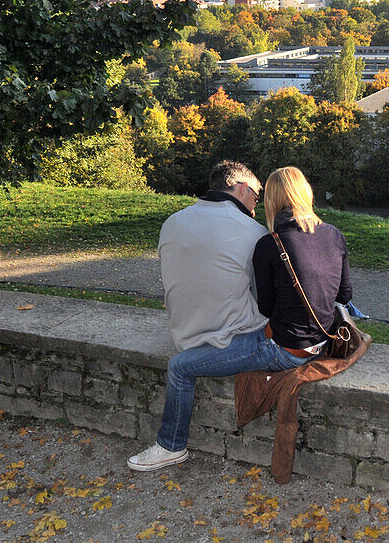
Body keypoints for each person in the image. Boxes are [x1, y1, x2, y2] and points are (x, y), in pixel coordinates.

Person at [128, 161, 305, 472]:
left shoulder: (172, 222)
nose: (257, 203)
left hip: (183, 333)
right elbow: (265, 299)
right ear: (239, 188)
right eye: (255, 194)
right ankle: (171, 446)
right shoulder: (253, 232)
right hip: (233, 337)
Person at [251, 166, 353, 362]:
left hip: (287, 349)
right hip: (325, 342)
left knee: (182, 366)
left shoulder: (269, 244)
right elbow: (344, 295)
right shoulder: (335, 235)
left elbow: (265, 307)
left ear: (272, 200)